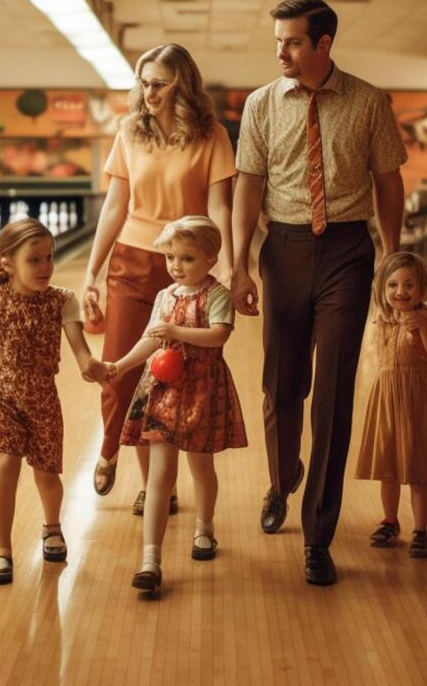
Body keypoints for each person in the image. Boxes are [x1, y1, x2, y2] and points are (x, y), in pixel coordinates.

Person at [230, 0, 408, 587]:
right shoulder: (260, 104)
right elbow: (247, 189)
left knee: (332, 392)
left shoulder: (368, 102)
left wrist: (390, 256)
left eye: (293, 42)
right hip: (282, 249)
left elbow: (388, 181)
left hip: (347, 254)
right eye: (278, 41)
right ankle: (282, 479)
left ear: (324, 43)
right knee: (281, 386)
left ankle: (318, 535)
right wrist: (238, 265)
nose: (281, 51)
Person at [83, 44, 236, 517]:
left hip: (189, 265)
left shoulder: (211, 136)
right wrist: (92, 270)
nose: (147, 92)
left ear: (182, 84)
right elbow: (115, 204)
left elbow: (219, 207)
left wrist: (229, 265)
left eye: (158, 83)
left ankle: (158, 486)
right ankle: (111, 447)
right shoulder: (130, 131)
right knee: (120, 368)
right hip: (132, 260)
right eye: (142, 82)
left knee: (178, 380)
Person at [0, 219, 111, 585]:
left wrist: (95, 368)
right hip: (2, 396)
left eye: (49, 257)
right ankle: (2, 550)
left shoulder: (63, 301)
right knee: (6, 464)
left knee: (47, 475)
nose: (45, 267)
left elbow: (82, 354)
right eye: (34, 260)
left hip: (43, 399)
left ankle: (52, 527)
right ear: (7, 263)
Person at [110, 216, 247, 592]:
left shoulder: (217, 295)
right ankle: (150, 560)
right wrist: (120, 366)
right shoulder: (163, 297)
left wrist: (175, 332)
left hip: (203, 387)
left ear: (210, 258)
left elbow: (218, 337)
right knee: (160, 476)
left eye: (187, 258)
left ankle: (204, 528)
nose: (176, 266)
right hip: (164, 389)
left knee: (201, 467)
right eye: (171, 257)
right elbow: (150, 340)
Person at [353, 252, 427, 559]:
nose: (401, 291)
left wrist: (423, 328)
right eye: (393, 285)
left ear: (422, 288)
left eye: (409, 284)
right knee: (388, 468)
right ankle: (390, 520)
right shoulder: (382, 318)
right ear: (382, 290)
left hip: (417, 398)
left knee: (418, 469)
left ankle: (420, 530)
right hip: (386, 397)